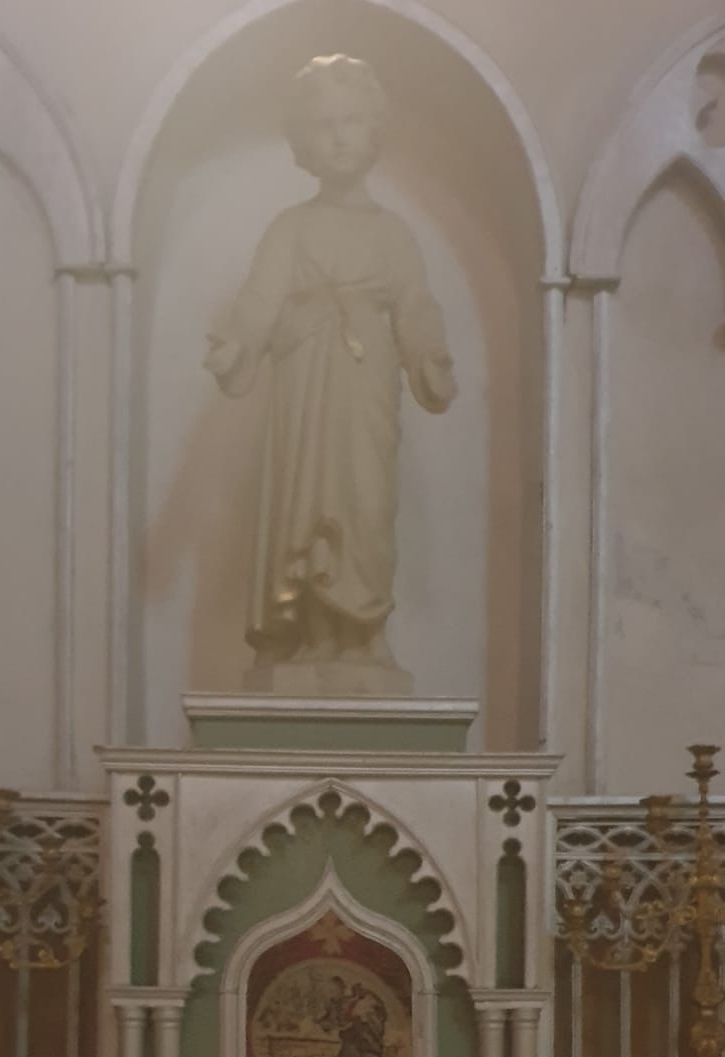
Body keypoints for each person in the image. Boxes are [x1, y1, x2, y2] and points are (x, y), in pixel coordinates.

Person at [205, 54, 456, 680]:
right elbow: (258, 301)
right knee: (306, 498)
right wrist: (237, 344)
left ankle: (362, 636)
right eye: (324, 125)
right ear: (303, 142)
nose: (340, 136)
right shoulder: (290, 228)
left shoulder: (392, 234)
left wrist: (429, 358)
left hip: (366, 387)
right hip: (305, 383)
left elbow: (416, 306)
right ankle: (311, 634)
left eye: (351, 121)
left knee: (365, 501)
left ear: (374, 129)